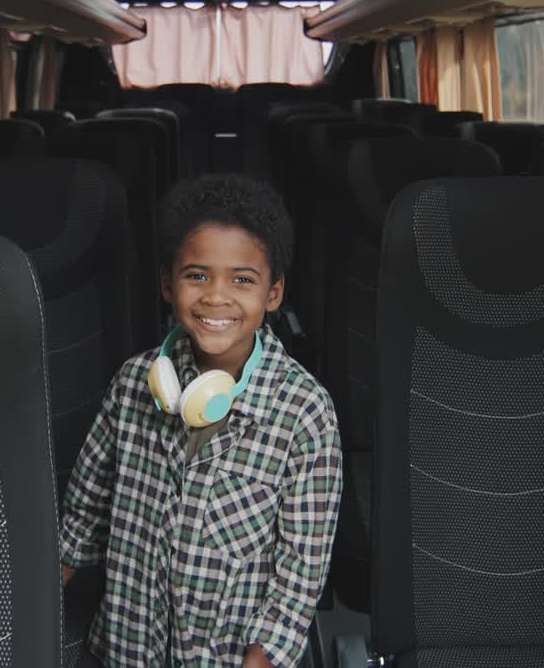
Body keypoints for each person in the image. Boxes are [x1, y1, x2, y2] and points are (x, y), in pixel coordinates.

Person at [59, 173, 343, 667]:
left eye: (242, 279)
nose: (216, 297)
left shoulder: (304, 413)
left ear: (273, 294)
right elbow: (83, 518)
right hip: (126, 651)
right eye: (197, 275)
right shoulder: (133, 385)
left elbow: (298, 581)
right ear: (167, 285)